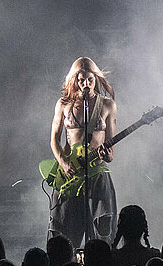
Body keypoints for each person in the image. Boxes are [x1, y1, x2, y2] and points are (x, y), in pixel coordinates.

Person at [48, 57, 118, 247]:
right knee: (64, 234)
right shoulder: (63, 104)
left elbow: (111, 153)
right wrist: (63, 163)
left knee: (101, 230)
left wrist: (107, 154)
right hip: (70, 174)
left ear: (95, 78)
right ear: (74, 80)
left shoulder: (107, 105)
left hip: (96, 174)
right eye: (81, 80)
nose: (86, 84)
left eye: (90, 80)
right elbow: (54, 139)